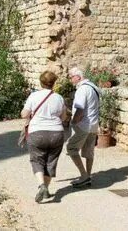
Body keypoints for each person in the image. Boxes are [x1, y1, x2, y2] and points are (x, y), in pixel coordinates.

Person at [21, 70, 68, 203]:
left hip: (37, 132)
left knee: (37, 160)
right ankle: (46, 189)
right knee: (51, 161)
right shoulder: (59, 98)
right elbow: (64, 117)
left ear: (41, 82)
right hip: (56, 133)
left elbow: (24, 115)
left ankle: (42, 185)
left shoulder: (34, 96)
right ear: (53, 83)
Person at [66, 66, 100, 188]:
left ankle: (84, 175)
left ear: (78, 77)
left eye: (71, 77)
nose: (70, 80)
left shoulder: (82, 90)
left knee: (71, 148)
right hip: (93, 124)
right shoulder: (93, 87)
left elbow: (80, 109)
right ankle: (88, 176)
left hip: (83, 125)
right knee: (88, 151)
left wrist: (74, 122)